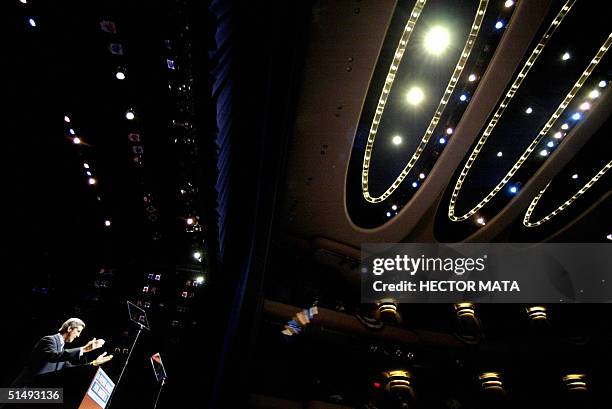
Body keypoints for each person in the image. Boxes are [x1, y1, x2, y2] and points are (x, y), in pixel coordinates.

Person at [11, 318, 113, 387]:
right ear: (69, 328)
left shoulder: (62, 351)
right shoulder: (49, 340)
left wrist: (94, 363)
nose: (78, 336)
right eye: (78, 331)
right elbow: (53, 356)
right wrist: (84, 349)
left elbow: (70, 369)